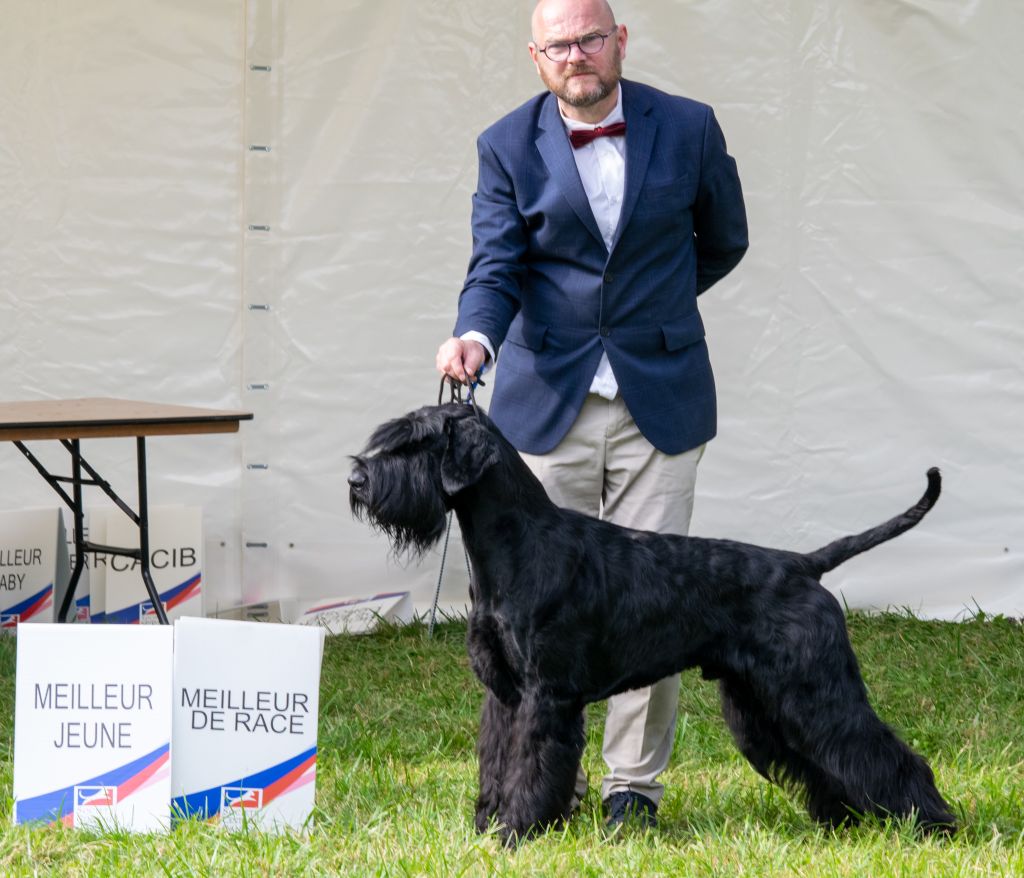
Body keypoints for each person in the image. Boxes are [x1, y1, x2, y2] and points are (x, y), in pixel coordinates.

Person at [436, 0, 747, 830]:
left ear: (620, 42)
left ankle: (631, 789)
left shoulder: (689, 126)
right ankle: (539, 789)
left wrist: (659, 310)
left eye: (591, 38)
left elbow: (725, 239)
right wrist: (474, 336)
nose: (578, 54)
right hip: (545, 407)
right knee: (533, 618)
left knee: (654, 604)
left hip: (664, 399)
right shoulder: (505, 144)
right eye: (560, 44)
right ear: (536, 56)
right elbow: (495, 263)